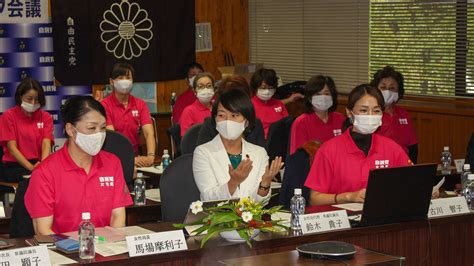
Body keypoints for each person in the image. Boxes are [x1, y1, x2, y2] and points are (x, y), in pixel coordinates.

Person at [25, 96, 133, 234]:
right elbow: (43, 231)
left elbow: (117, 217)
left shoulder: (113, 163)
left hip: (106, 248)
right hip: (62, 251)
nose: (99, 135)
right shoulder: (45, 172)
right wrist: (80, 250)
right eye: (91, 128)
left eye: (103, 128)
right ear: (70, 130)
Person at [304, 84, 412, 206]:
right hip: (343, 220)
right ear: (349, 113)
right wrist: (348, 196)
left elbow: (411, 183)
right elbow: (315, 199)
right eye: (363, 110)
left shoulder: (392, 148)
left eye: (376, 110)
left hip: (382, 216)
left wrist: (428, 191)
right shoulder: (329, 150)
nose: (370, 115)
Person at [193, 89, 283, 202]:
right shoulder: (203, 152)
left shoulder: (259, 153)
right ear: (215, 119)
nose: (227, 121)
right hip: (218, 218)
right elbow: (208, 198)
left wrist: (265, 183)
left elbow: (260, 203)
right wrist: (233, 182)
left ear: (246, 121)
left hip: (250, 218)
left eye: (234, 115)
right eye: (221, 115)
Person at [100, 63, 156, 167]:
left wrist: (150, 157)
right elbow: (113, 138)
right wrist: (129, 159)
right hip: (112, 157)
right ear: (111, 81)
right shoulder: (104, 106)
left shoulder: (140, 104)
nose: (125, 81)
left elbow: (149, 133)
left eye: (128, 77)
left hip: (136, 157)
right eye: (120, 78)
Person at [0, 77, 54, 182]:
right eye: (29, 99)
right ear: (20, 97)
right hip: (15, 165)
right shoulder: (8, 116)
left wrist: (42, 166)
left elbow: (46, 144)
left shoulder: (46, 117)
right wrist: (32, 168)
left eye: (37, 99)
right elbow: (12, 148)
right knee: (34, 180)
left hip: (39, 163)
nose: (33, 103)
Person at [196, 75, 265, 147]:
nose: (233, 103)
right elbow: (202, 152)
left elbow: (260, 153)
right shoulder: (210, 124)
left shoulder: (255, 124)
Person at [371, 66, 418, 163]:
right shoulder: (370, 114)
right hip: (378, 165)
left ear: (399, 92)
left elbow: (413, 147)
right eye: (383, 87)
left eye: (392, 88)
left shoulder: (404, 115)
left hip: (402, 165)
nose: (387, 91)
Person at [289, 75, 346, 154]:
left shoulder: (340, 118)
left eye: (327, 94)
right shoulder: (301, 123)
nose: (323, 97)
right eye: (318, 94)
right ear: (309, 98)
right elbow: (298, 159)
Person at [250, 68, 289, 138]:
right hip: (260, 142)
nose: (267, 91)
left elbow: (287, 124)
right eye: (263, 88)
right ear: (255, 88)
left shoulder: (279, 104)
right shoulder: (249, 105)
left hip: (280, 140)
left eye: (270, 88)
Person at [179, 72, 215, 136]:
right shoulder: (189, 111)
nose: (205, 89)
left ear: (213, 89)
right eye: (200, 86)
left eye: (209, 86)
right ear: (194, 91)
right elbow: (186, 140)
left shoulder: (219, 108)